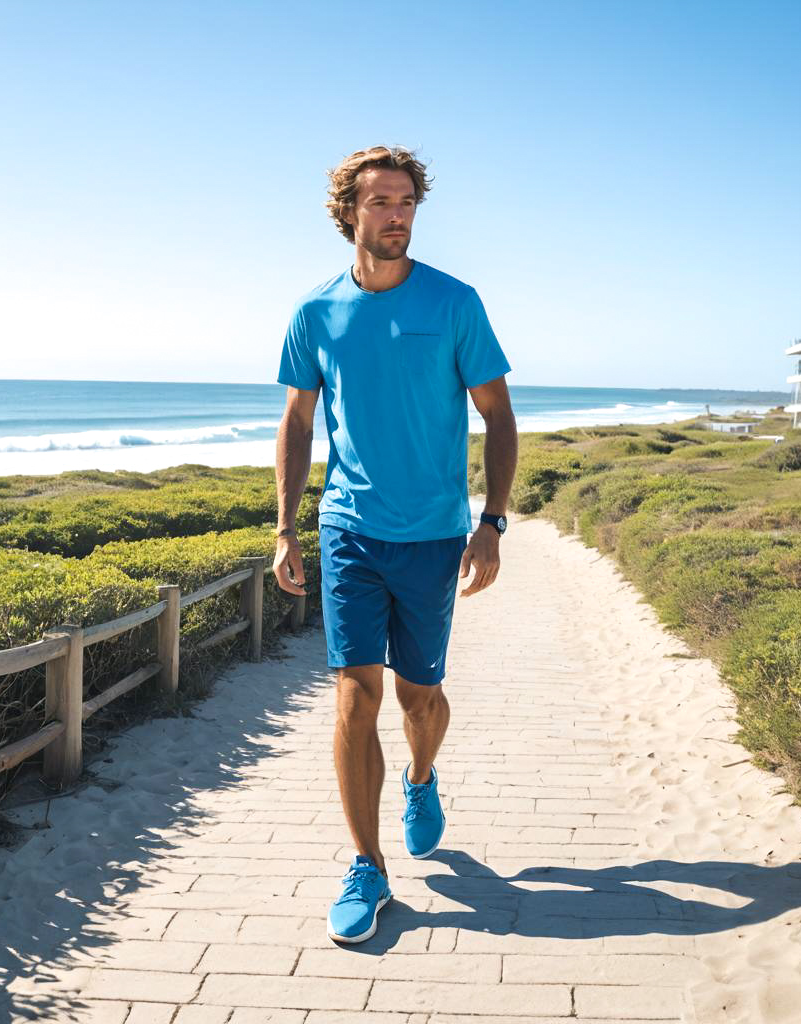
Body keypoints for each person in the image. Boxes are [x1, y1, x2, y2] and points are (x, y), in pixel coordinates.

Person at [273, 145, 517, 944]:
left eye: (406, 200)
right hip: (348, 527)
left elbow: (499, 416)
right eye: (380, 201)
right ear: (350, 212)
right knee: (354, 697)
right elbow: (299, 422)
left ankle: (420, 776)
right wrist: (284, 526)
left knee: (420, 700)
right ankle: (368, 867)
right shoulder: (316, 313)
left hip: (435, 535)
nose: (397, 215)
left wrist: (492, 522)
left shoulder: (456, 303)